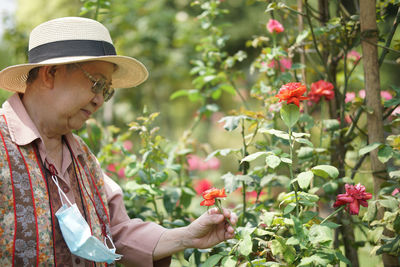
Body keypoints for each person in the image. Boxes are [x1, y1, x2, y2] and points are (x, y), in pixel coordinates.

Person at [0, 17, 237, 267]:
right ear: (51, 73)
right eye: (97, 83)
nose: (99, 100)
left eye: (107, 90)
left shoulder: (83, 156)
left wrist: (187, 236)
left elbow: (116, 231)